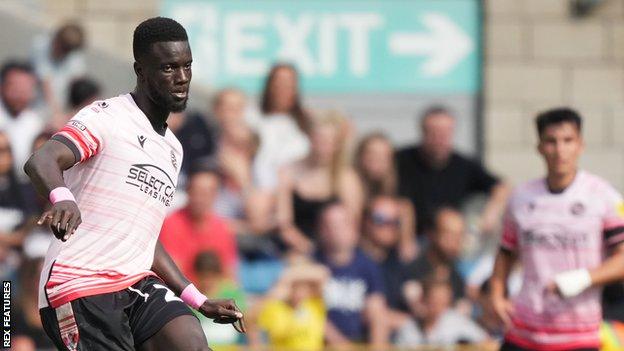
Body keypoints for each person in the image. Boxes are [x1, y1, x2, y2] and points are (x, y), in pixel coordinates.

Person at [24, 17, 244, 351]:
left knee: (192, 344)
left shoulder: (173, 148)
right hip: (80, 282)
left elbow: (145, 237)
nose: (182, 78)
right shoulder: (106, 118)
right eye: (169, 68)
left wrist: (198, 299)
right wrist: (63, 197)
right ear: (141, 70)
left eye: (187, 66)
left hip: (136, 280)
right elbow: (42, 160)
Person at [490, 108, 624, 351]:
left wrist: (583, 278)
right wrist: (497, 295)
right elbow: (505, 251)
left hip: (577, 336)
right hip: (523, 332)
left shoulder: (603, 196)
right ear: (540, 147)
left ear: (580, 145)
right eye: (551, 142)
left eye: (567, 140)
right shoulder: (521, 197)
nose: (560, 150)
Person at [396, 106, 509, 233]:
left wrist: (490, 216)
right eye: (433, 132)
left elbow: (501, 187)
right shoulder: (400, 160)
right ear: (423, 131)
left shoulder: (464, 166)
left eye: (445, 132)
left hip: (449, 241)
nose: (439, 138)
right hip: (405, 238)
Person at [277, 110, 363, 255]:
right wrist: (308, 249)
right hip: (296, 249)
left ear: (337, 145)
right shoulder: (288, 172)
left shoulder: (347, 178)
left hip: (336, 250)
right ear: (310, 138)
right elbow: (284, 224)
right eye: (319, 138)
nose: (323, 145)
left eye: (329, 141)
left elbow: (353, 224)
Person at [315, 201, 389, 347]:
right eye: (330, 225)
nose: (335, 231)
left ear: (354, 228)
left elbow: (377, 313)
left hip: (358, 341)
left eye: (341, 225)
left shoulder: (367, 266)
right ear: (321, 229)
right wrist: (341, 346)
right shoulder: (312, 264)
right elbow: (311, 315)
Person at [160, 165, 239, 283]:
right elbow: (171, 276)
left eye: (208, 192)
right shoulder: (171, 224)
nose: (202, 198)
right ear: (188, 190)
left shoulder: (221, 228)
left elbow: (230, 278)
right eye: (198, 191)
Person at [355, 132, 417, 261]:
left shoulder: (395, 185)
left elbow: (405, 209)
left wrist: (406, 242)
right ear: (360, 157)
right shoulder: (351, 183)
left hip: (387, 247)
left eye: (384, 156)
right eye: (372, 154)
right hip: (358, 245)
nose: (377, 160)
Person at [251, 63, 310, 192]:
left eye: (288, 83)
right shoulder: (253, 118)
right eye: (278, 82)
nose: (283, 88)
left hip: (298, 193)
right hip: (261, 190)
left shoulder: (307, 122)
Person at [402, 207, 469, 318]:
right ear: (431, 234)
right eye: (449, 234)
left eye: (459, 235)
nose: (455, 241)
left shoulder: (457, 279)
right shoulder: (410, 271)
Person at [258, 258, 328, 350]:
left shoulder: (314, 305)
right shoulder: (276, 308)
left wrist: (292, 273)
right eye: (295, 286)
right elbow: (251, 318)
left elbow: (322, 273)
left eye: (304, 286)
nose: (299, 291)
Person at [396, 277, 487, 346]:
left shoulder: (457, 322)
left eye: (444, 302)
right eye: (435, 301)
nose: (439, 307)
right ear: (423, 300)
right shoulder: (409, 329)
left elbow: (486, 343)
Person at [192, 251, 247, 347]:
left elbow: (248, 323)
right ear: (197, 275)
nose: (207, 282)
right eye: (204, 277)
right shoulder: (192, 297)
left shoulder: (231, 293)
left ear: (219, 275)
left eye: (211, 277)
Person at [31, 22, 86, 115]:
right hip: (35, 107)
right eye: (63, 48)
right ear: (57, 40)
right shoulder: (40, 45)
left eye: (68, 50)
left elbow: (77, 84)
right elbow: (45, 83)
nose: (64, 53)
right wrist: (56, 114)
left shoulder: (75, 58)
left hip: (58, 109)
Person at [0, 61, 44, 177]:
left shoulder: (35, 123)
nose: (20, 95)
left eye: (25, 90)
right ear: (2, 87)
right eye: (16, 89)